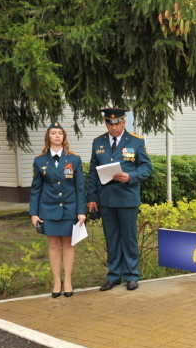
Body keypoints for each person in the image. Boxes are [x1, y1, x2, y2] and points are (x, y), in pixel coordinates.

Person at [86, 108, 152, 292]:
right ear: (106, 123)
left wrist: (130, 176)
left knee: (129, 238)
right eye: (109, 123)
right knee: (112, 238)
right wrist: (91, 198)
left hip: (127, 197)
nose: (113, 127)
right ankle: (113, 275)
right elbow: (93, 172)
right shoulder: (98, 142)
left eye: (117, 123)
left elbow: (146, 167)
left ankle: (131, 275)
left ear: (124, 122)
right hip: (106, 199)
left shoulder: (136, 141)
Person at [29, 122, 87, 298]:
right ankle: (56, 281)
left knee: (68, 245)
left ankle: (68, 280)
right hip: (48, 209)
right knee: (53, 245)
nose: (57, 136)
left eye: (60, 133)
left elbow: (80, 187)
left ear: (64, 137)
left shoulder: (74, 159)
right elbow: (36, 189)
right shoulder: (40, 161)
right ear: (48, 136)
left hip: (69, 209)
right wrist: (34, 212)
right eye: (53, 133)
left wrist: (81, 210)